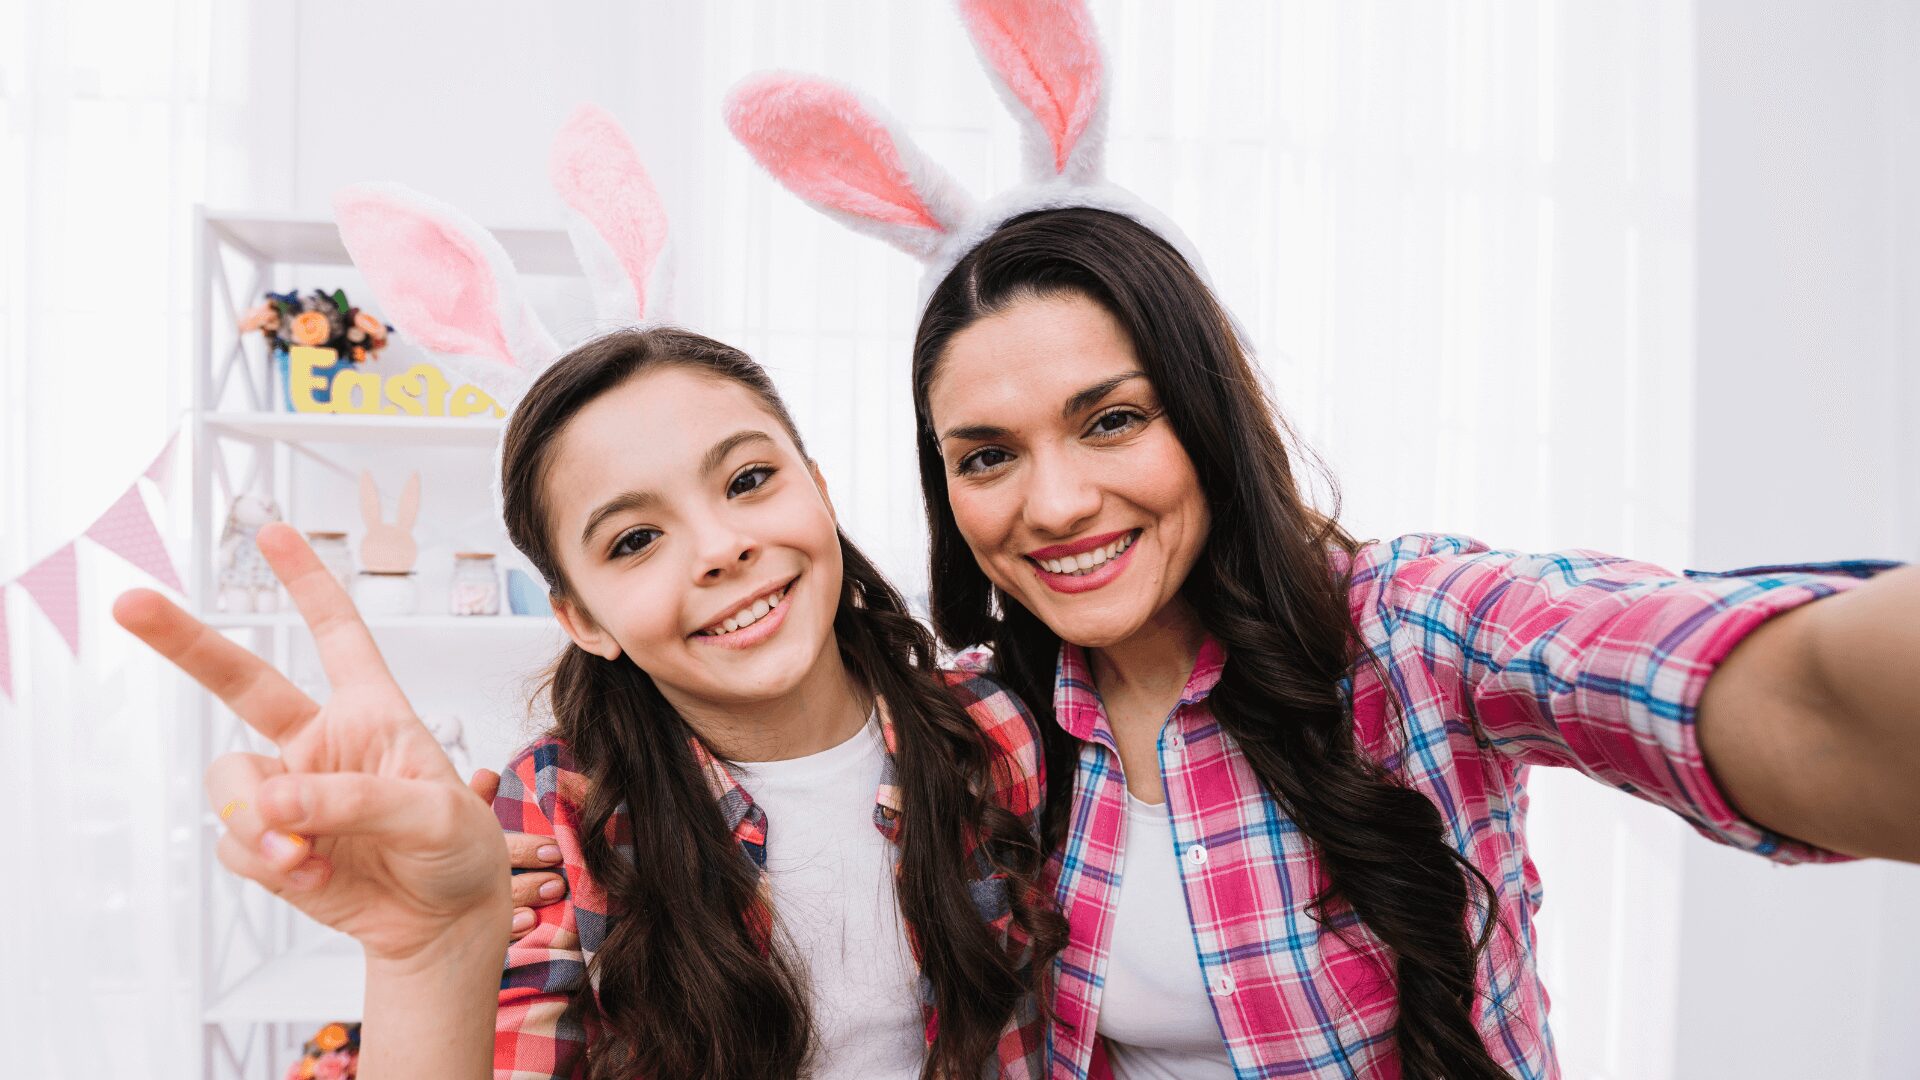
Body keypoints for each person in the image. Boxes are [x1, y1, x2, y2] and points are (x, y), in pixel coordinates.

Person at [118, 327, 1061, 1079]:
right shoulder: (555, 814)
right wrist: (424, 958)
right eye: (634, 539)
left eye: (748, 481)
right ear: (583, 618)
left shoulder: (992, 727)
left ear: (817, 489)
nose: (718, 548)